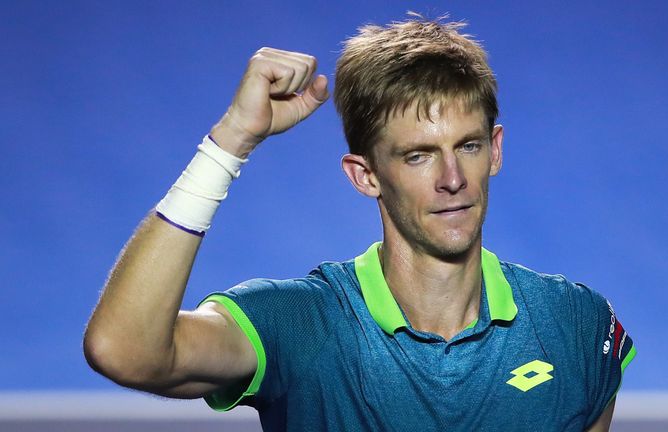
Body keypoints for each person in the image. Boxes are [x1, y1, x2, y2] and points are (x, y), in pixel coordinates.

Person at [84, 14, 635, 432]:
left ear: (494, 150)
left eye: (466, 146)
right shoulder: (300, 327)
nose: (452, 179)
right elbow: (125, 350)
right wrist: (230, 142)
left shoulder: (575, 326)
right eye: (417, 156)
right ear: (365, 175)